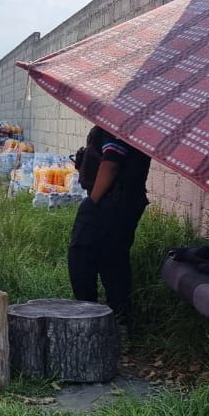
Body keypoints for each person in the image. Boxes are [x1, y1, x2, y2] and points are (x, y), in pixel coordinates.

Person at [68, 124, 151, 332]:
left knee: (80, 256)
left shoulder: (117, 125)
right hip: (128, 203)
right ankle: (120, 321)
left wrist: (93, 200)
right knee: (113, 259)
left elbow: (111, 163)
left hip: (109, 203)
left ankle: (88, 317)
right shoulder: (137, 125)